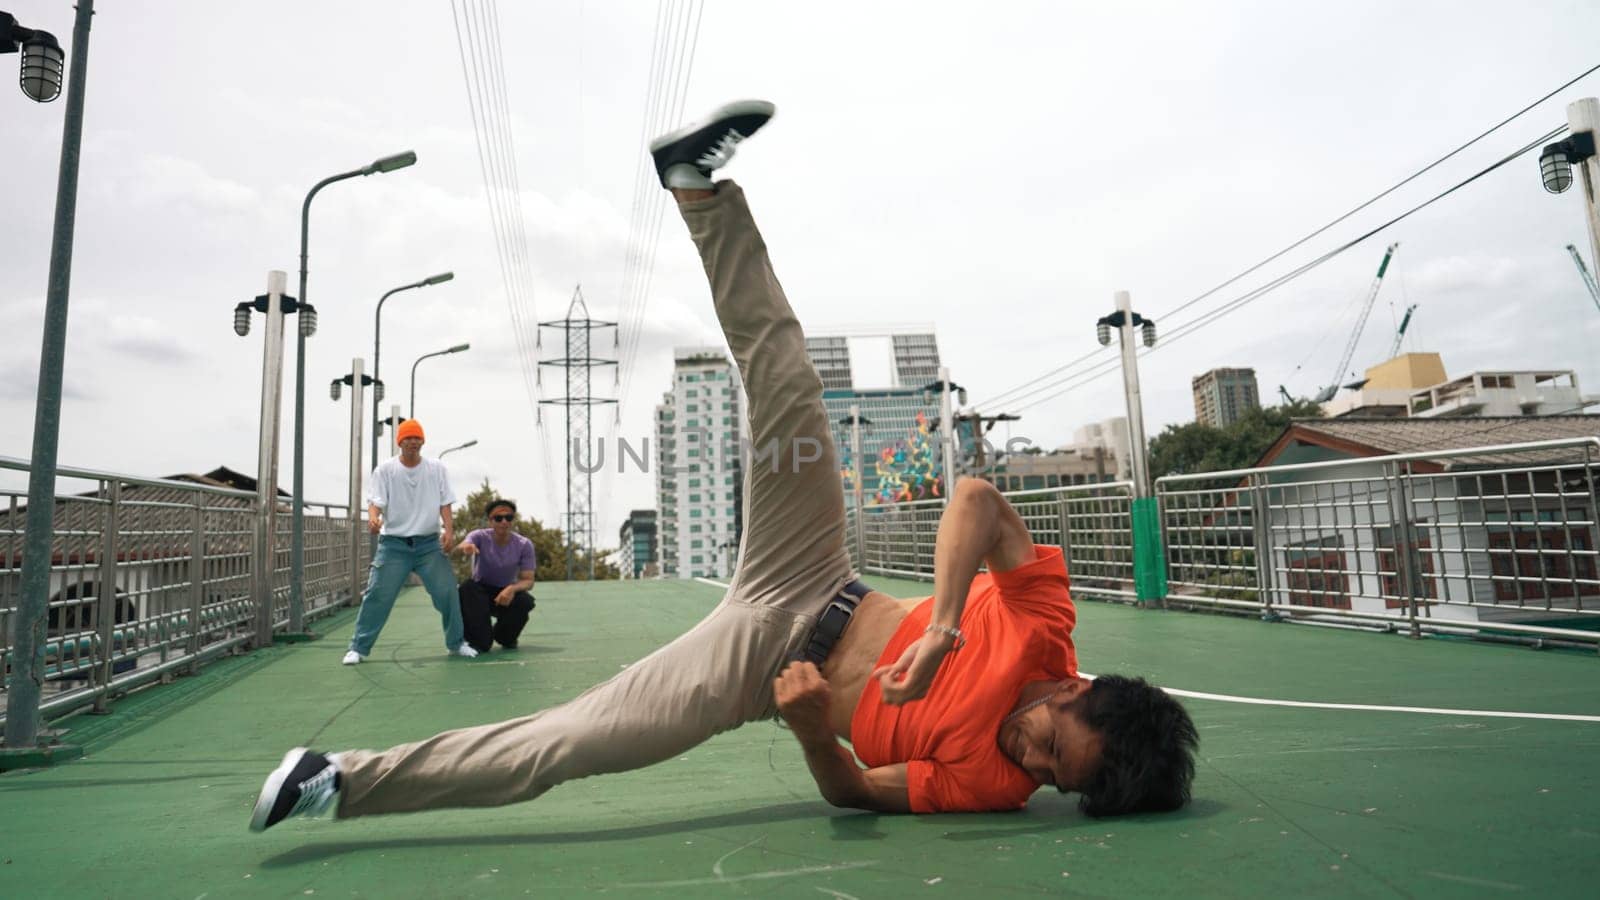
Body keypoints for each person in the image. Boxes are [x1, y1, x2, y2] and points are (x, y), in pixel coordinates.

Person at [250, 100, 1196, 832]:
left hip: (752, 663)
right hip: (814, 571)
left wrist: (807, 722)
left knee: (565, 744)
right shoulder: (1042, 627)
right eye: (1051, 748)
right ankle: (698, 189)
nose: (1032, 770)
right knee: (788, 379)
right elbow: (979, 500)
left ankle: (336, 781)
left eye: (1052, 782)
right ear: (1076, 689)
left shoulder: (992, 787)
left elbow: (862, 792)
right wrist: (947, 625)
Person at [342, 418, 478, 665]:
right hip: (394, 545)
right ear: (399, 442)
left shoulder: (436, 468)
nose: (413, 442)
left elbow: (445, 502)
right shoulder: (385, 470)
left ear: (423, 441)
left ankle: (456, 643)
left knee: (447, 592)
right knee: (377, 595)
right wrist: (373, 520)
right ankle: (358, 648)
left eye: (417, 438)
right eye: (408, 438)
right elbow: (375, 503)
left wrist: (449, 531)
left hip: (428, 545)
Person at [453, 499, 537, 653]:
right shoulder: (479, 536)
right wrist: (466, 547)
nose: (504, 522)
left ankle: (506, 636)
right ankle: (478, 638)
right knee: (467, 589)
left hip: (505, 594)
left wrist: (512, 589)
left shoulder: (524, 544)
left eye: (508, 518)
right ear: (490, 521)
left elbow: (528, 580)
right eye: (498, 518)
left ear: (513, 520)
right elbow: (465, 543)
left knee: (525, 602)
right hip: (481, 593)